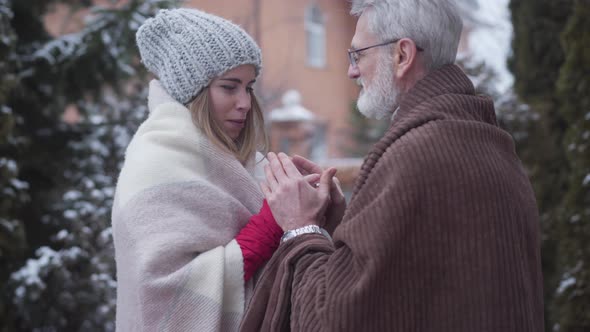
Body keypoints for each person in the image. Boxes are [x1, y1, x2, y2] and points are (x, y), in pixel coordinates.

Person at [240, 0, 544, 331]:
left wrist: (300, 227)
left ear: (402, 55)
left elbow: (333, 319)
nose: (351, 71)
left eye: (358, 55)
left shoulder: (416, 156)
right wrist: (343, 225)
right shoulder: (489, 143)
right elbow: (421, 275)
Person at [111, 8, 301, 331]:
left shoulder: (241, 162)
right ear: (193, 90)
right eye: (230, 87)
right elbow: (162, 293)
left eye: (249, 87)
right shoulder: (154, 164)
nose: (244, 102)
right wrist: (269, 225)